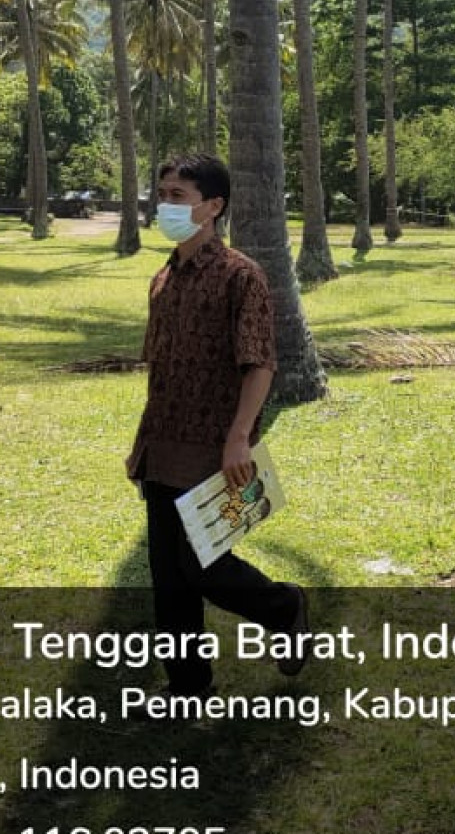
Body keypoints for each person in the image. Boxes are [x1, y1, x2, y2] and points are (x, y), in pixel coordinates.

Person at [124, 153, 309, 696]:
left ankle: (284, 607)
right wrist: (143, 449)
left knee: (203, 567)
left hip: (216, 450)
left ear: (213, 206)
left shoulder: (240, 276)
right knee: (168, 580)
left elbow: (260, 364)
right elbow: (160, 370)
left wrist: (238, 440)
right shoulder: (163, 279)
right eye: (161, 194)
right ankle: (186, 686)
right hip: (163, 448)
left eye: (177, 197)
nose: (165, 206)